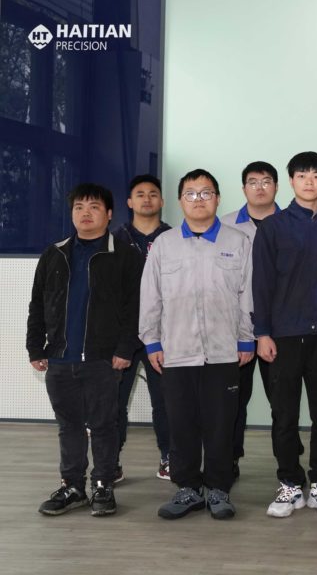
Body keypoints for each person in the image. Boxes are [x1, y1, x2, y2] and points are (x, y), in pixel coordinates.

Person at [140, 169, 254, 520]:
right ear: (180, 201)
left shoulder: (238, 242)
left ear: (217, 198)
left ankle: (219, 488)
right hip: (177, 350)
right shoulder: (164, 244)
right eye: (190, 194)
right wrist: (152, 341)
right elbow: (151, 296)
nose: (198, 199)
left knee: (222, 424)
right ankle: (187, 488)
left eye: (206, 193)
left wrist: (246, 337)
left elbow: (248, 294)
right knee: (182, 423)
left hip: (224, 350)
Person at [29, 183, 143, 517]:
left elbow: (135, 308)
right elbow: (38, 304)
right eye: (79, 207)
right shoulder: (54, 254)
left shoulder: (125, 255)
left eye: (94, 207)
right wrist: (35, 347)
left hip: (102, 359)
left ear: (109, 214)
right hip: (60, 358)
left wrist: (125, 348)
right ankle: (73, 486)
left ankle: (103, 484)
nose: (85, 213)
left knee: (104, 425)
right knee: (69, 426)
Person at [252, 151, 317, 518]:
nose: (310, 181)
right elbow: (262, 284)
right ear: (291, 181)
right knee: (284, 415)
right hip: (284, 336)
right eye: (302, 175)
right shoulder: (273, 227)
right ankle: (290, 483)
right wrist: (262, 333)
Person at [221, 161, 280, 480]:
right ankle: (229, 459)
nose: (260, 187)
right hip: (235, 328)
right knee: (233, 400)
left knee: (282, 402)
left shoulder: (289, 223)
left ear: (276, 187)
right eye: (253, 182)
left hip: (278, 328)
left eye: (266, 181)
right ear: (243, 188)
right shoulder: (225, 226)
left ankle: (286, 465)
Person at [112, 174, 172, 482]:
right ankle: (110, 461)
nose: (146, 198)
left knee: (166, 402)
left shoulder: (175, 238)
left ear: (162, 201)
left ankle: (170, 457)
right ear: (129, 202)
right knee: (114, 403)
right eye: (140, 194)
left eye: (152, 193)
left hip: (164, 334)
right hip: (122, 334)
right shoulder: (114, 240)